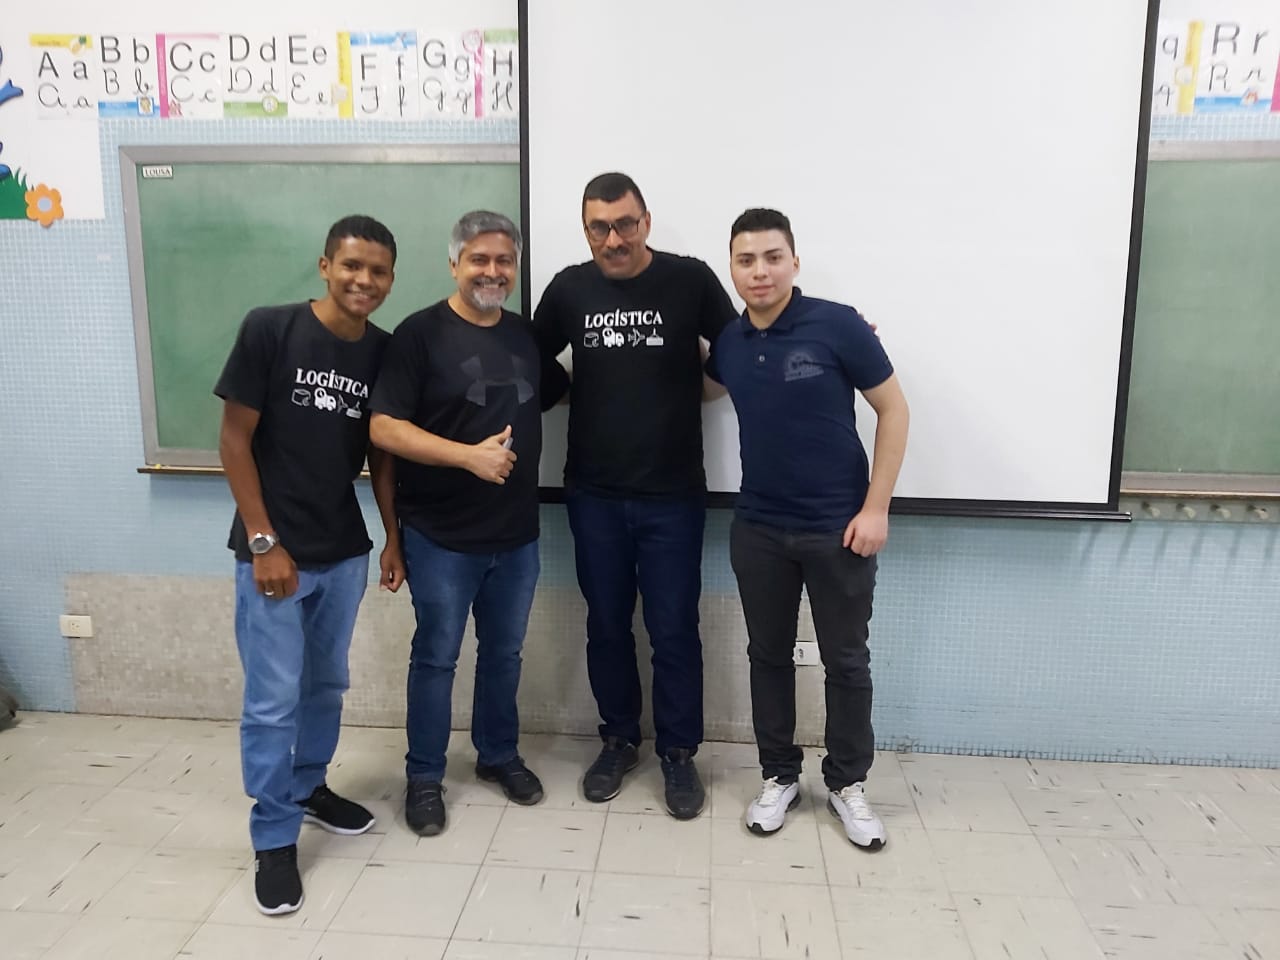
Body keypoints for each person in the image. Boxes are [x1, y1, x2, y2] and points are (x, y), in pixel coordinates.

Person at [215, 214, 404, 915]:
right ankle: (273, 838)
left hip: (342, 551)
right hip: (274, 555)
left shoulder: (382, 351)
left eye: (378, 271)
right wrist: (264, 542)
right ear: (325, 266)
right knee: (272, 702)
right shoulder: (271, 329)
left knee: (326, 685)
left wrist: (392, 536)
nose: (363, 281)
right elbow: (234, 440)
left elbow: (381, 455)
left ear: (390, 280)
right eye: (351, 266)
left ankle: (308, 787)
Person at [532, 172, 738, 819]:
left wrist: (704, 385)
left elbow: (738, 344)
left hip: (673, 494)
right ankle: (619, 739)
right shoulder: (569, 288)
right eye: (599, 227)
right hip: (593, 493)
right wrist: (569, 393)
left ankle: (678, 753)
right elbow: (527, 359)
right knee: (607, 625)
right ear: (586, 229)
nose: (613, 239)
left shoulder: (689, 279)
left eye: (625, 224)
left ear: (645, 221)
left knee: (674, 628)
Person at [706, 208, 909, 849]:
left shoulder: (838, 325)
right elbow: (699, 388)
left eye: (773, 257)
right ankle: (779, 776)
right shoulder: (730, 343)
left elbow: (894, 410)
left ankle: (848, 783)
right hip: (759, 528)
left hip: (839, 528)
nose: (760, 271)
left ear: (794, 261)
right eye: (746, 260)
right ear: (731, 268)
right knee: (767, 656)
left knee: (846, 661)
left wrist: (876, 508)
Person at [369, 210, 567, 836]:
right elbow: (384, 428)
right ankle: (425, 776)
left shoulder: (525, 336)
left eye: (504, 261)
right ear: (454, 263)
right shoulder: (418, 335)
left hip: (517, 536)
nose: (492, 271)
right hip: (440, 537)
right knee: (436, 657)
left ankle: (497, 755)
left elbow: (558, 391)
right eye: (479, 259)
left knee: (504, 654)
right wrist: (467, 456)